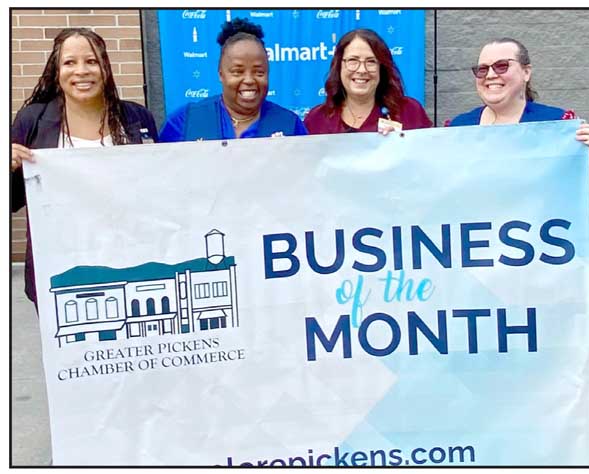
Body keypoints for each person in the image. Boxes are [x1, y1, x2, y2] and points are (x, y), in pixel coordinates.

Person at [11, 27, 159, 307]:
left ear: (105, 68)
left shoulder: (136, 117)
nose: (81, 71)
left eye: (91, 61)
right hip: (60, 269)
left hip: (130, 262)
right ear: (57, 71)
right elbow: (12, 200)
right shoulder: (33, 121)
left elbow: (158, 188)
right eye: (70, 62)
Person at [447, 38, 589, 192]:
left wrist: (586, 155)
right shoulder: (458, 127)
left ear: (526, 72)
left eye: (502, 66)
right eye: (482, 69)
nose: (490, 75)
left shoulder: (557, 124)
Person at [159, 18, 307, 142]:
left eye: (259, 72)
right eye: (238, 72)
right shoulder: (185, 121)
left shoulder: (290, 125)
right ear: (221, 74)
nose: (249, 80)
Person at [303, 28, 432, 134]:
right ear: (339, 66)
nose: (362, 70)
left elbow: (430, 154)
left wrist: (402, 142)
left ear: (381, 68)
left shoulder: (409, 111)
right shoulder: (316, 119)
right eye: (353, 60)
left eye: (371, 62)